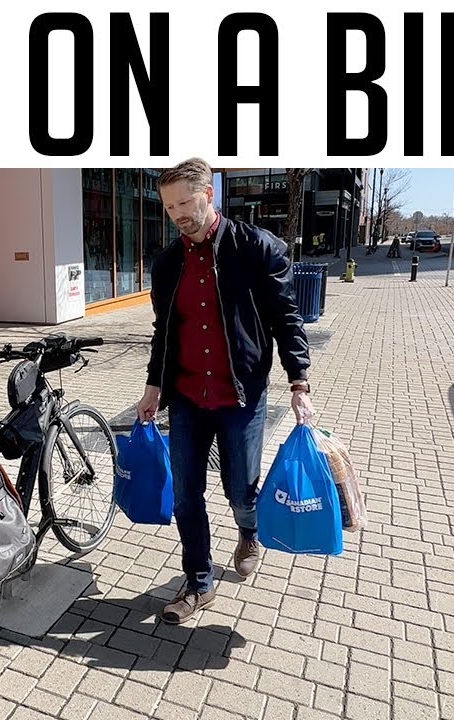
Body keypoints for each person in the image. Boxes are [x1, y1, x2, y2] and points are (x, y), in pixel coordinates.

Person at [136, 158, 314, 625]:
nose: (177, 214)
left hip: (241, 398)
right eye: (169, 206)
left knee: (240, 491)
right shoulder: (166, 264)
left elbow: (286, 319)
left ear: (209, 193)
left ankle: (248, 533)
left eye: (185, 202)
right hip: (188, 400)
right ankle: (197, 581)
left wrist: (299, 381)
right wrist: (154, 384)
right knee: (185, 496)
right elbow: (164, 332)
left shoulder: (256, 249)